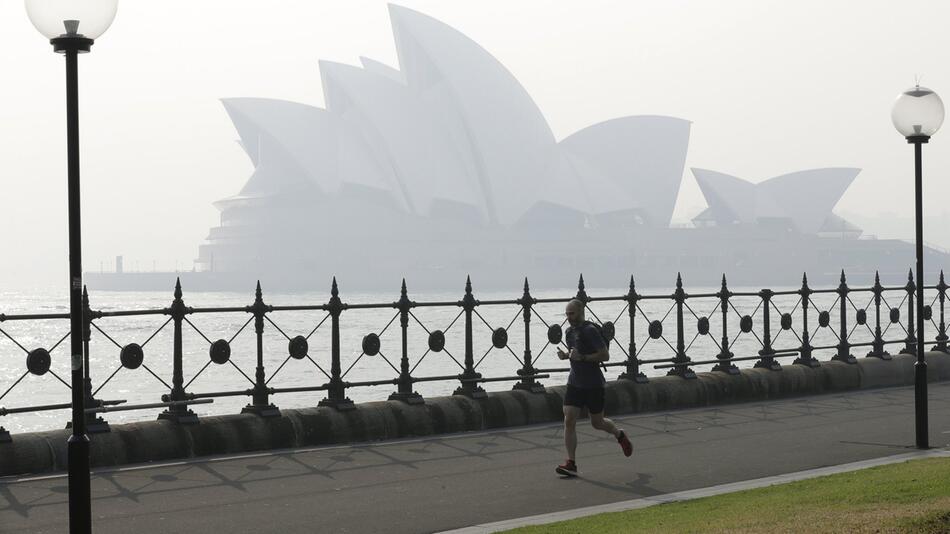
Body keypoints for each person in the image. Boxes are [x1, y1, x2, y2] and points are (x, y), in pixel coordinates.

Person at [555, 299, 632, 476]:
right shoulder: (568, 332)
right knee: (568, 419)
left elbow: (605, 355)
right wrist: (565, 355)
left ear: (581, 312)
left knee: (597, 423)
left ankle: (619, 434)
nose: (569, 317)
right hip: (575, 383)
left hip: (593, 384)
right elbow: (574, 353)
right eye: (566, 314)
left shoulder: (590, 331)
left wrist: (582, 358)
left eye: (572, 313)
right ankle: (571, 463)